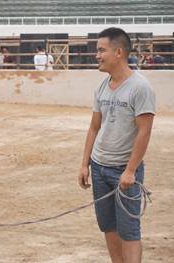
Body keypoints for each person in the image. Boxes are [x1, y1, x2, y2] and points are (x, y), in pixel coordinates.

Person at [79, 27, 155, 263]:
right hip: (99, 168)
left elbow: (144, 132)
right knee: (108, 227)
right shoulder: (102, 87)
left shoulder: (140, 88)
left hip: (124, 172)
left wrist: (130, 170)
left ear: (119, 52)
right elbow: (94, 127)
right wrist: (85, 164)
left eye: (101, 50)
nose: (97, 55)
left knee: (129, 231)